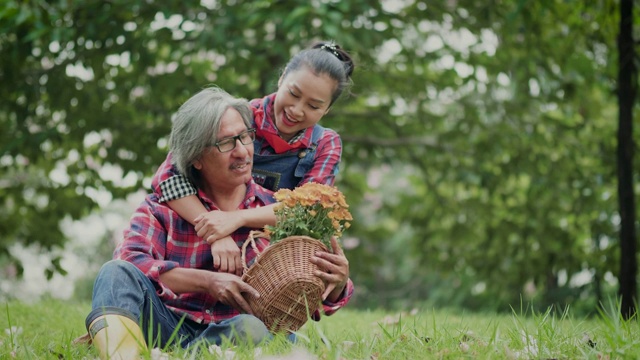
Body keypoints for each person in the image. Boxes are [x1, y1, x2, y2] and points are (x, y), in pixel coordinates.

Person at [83, 87, 354, 359]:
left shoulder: (276, 214)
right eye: (225, 143)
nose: (242, 152)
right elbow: (133, 264)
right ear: (196, 157)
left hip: (232, 334)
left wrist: (338, 283)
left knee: (252, 328)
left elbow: (309, 298)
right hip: (165, 325)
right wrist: (208, 281)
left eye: (245, 137)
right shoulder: (162, 208)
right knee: (115, 272)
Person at [151, 41, 355, 275]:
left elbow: (308, 210)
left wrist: (236, 218)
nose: (297, 110)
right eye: (293, 93)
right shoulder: (238, 117)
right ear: (281, 79)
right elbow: (167, 177)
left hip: (266, 258)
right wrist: (215, 229)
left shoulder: (325, 144)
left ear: (327, 110)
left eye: (313, 106)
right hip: (199, 245)